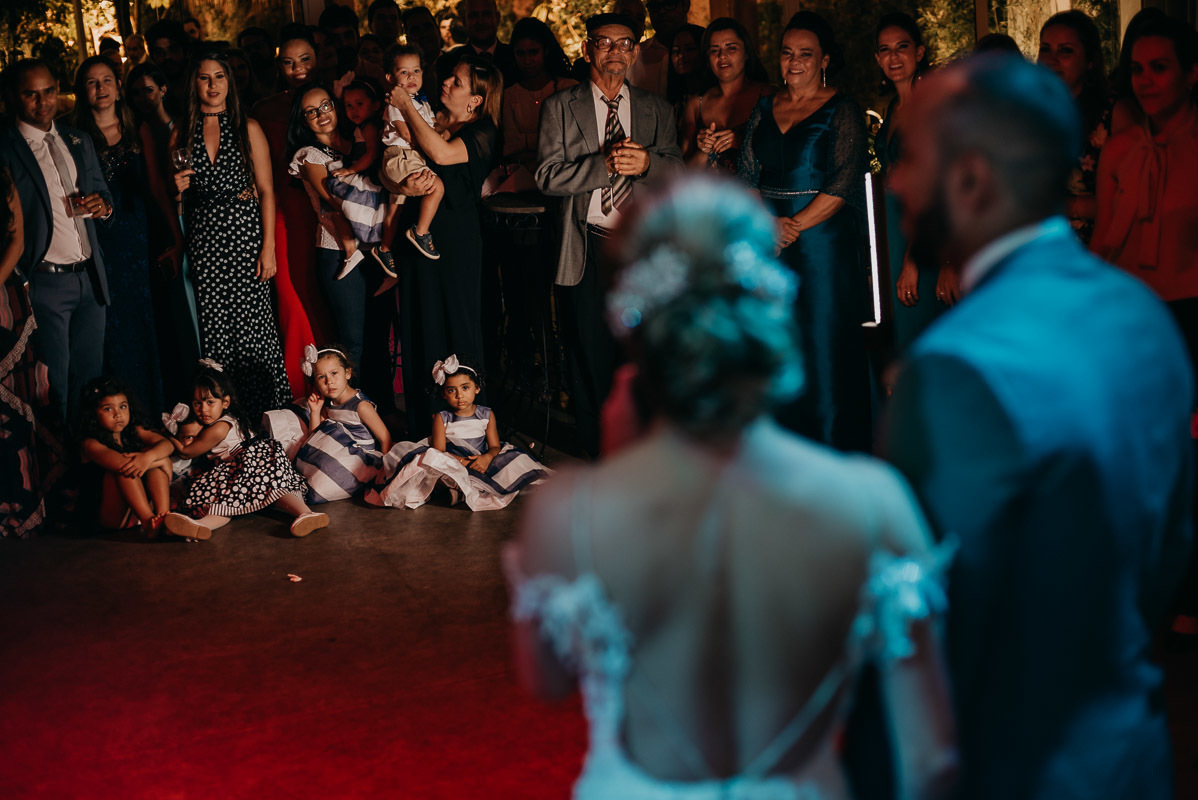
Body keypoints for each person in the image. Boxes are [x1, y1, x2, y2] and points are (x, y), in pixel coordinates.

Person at [507, 174, 957, 798]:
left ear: (633, 324)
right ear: (771, 307)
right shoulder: (872, 498)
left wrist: (618, 471)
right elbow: (931, 757)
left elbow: (546, 680)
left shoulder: (569, 510)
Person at [884, 53, 1193, 800]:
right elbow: (1169, 547)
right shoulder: (1144, 315)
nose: (896, 183)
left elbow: (928, 641)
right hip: (1134, 748)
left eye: (911, 158)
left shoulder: (955, 364)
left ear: (972, 178)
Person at [535, 12, 683, 458]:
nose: (615, 51)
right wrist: (606, 166)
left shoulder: (657, 107)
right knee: (589, 353)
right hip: (587, 245)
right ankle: (596, 453)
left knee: (640, 353)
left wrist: (649, 165)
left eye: (624, 44)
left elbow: (676, 170)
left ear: (635, 51)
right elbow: (545, 175)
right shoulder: (561, 107)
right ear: (587, 50)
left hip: (640, 251)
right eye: (605, 43)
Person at [737, 12, 872, 452]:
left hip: (821, 245)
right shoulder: (763, 106)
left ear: (824, 60)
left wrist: (792, 225)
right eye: (787, 53)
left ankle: (835, 450)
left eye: (806, 54)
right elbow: (747, 176)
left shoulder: (843, 108)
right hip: (769, 244)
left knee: (824, 342)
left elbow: (844, 183)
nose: (794, 62)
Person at [170, 52, 291, 423]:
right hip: (205, 239)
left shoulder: (247, 127)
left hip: (244, 235)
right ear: (194, 83)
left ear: (229, 82)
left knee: (255, 326)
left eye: (219, 76)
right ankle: (227, 421)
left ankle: (269, 414)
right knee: (216, 329)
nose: (212, 85)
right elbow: (178, 205)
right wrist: (177, 191)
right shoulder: (180, 131)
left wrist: (267, 247)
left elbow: (268, 190)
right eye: (204, 77)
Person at [391, 56, 501, 438]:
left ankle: (467, 431)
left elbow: (440, 154)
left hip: (455, 243)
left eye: (457, 82)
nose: (446, 83)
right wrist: (400, 187)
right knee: (420, 321)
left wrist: (404, 102)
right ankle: (426, 427)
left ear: (475, 100)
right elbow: (393, 164)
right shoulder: (429, 117)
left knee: (456, 322)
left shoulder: (484, 131)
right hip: (416, 238)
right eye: (449, 77)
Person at [0, 58, 115, 423]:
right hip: (45, 281)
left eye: (49, 91)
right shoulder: (6, 148)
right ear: (13, 97)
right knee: (55, 388)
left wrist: (103, 206)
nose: (43, 101)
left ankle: (93, 467)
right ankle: (61, 472)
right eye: (31, 94)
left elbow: (102, 191)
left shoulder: (76, 137)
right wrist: (22, 276)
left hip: (89, 276)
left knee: (91, 383)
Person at [69, 55, 184, 414]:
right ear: (82, 91)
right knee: (111, 324)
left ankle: (154, 408)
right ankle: (118, 414)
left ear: (118, 88)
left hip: (139, 238)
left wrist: (175, 235)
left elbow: (155, 187)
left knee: (147, 319)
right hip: (99, 237)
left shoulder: (140, 130)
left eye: (106, 80)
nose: (100, 88)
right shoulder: (73, 136)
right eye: (91, 82)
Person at [1093, 15, 1198, 377]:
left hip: (1189, 319)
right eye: (1137, 69)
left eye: (1159, 67)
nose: (1145, 81)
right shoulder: (1120, 149)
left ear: (1191, 73)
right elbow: (1103, 242)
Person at [163, 360, 326, 540]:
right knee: (228, 499)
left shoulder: (218, 428)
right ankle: (201, 526)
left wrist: (167, 437)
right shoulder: (227, 418)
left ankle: (306, 514)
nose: (203, 410)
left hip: (250, 459)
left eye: (210, 402)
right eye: (197, 404)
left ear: (225, 402)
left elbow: (187, 452)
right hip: (243, 463)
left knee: (271, 488)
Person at [368, 354, 550, 510]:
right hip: (453, 460)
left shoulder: (486, 414)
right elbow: (439, 452)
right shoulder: (442, 417)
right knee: (429, 466)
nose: (459, 395)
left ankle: (462, 490)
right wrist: (463, 462)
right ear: (444, 394)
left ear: (476, 388)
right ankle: (455, 489)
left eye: (465, 388)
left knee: (513, 461)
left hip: (480, 457)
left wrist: (486, 458)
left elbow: (494, 446)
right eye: (451, 390)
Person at [874, 12, 953, 355]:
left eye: (901, 47)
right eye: (885, 50)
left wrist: (913, 259)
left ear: (919, 52)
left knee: (924, 341)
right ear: (877, 59)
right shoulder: (893, 107)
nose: (893, 57)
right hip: (894, 227)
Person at [287, 85, 381, 368]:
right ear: (304, 121)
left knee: (378, 337)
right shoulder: (309, 154)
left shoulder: (360, 141)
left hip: (375, 247)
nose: (321, 114)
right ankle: (348, 409)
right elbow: (334, 198)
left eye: (325, 106)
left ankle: (381, 408)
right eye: (311, 112)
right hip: (338, 250)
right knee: (352, 340)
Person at [250, 26, 327, 363]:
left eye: (305, 60)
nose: (298, 69)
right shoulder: (264, 111)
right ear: (277, 66)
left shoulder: (333, 101)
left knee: (328, 296)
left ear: (318, 60)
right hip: (282, 213)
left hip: (329, 210)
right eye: (288, 62)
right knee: (293, 297)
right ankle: (302, 386)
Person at [0, 162, 65, 537]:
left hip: (3, 297)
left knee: (18, 405)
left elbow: (17, 240)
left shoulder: (2, 173)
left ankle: (25, 504)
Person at [284, 344, 392, 504]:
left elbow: (385, 438)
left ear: (347, 373)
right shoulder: (330, 405)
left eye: (334, 373)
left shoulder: (360, 405)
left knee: (322, 473)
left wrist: (386, 472)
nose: (329, 381)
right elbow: (317, 439)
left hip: (362, 460)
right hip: (340, 454)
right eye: (321, 377)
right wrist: (315, 411)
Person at [1038, 10, 1111, 245]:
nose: (1051, 59)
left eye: (1065, 51)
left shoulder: (1112, 115)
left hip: (1094, 253)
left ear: (1090, 61)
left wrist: (1067, 205)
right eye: (1045, 49)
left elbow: (1131, 202)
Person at [76, 377, 174, 535]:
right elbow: (123, 464)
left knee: (152, 462)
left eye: (123, 407)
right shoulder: (90, 444)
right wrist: (161, 460)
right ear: (94, 413)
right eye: (108, 409)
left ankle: (164, 517)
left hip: (132, 513)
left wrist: (149, 457)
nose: (118, 414)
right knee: (127, 471)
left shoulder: (133, 430)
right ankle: (150, 522)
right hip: (110, 517)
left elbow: (167, 445)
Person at [679, 17, 773, 172]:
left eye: (731, 48)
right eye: (714, 50)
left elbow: (782, 158)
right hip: (708, 194)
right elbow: (684, 174)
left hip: (754, 195)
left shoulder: (767, 95)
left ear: (747, 53)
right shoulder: (696, 104)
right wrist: (703, 151)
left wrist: (742, 143)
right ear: (707, 59)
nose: (722, 56)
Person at [381, 46, 446, 262]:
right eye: (404, 72)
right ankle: (420, 232)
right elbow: (407, 134)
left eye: (416, 71)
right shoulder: (395, 102)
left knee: (395, 208)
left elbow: (432, 126)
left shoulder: (422, 102)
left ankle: (384, 249)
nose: (412, 77)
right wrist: (432, 141)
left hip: (412, 156)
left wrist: (441, 133)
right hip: (402, 155)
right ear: (391, 77)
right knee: (437, 187)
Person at [500, 18, 577, 172]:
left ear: (545, 51)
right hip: (522, 175)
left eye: (533, 52)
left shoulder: (569, 88)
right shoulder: (509, 95)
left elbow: (573, 143)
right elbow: (510, 148)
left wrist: (526, 142)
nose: (527, 60)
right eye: (520, 53)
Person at [436, 0, 518, 89]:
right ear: (464, 21)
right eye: (473, 16)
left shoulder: (516, 58)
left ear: (497, 18)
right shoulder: (449, 63)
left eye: (486, 14)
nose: (480, 21)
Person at [628, 0, 690, 97]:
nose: (661, 11)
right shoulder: (635, 56)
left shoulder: (707, 48)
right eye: (654, 7)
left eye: (668, 4)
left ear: (685, 5)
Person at [145, 19, 190, 114]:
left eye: (173, 49)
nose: (167, 57)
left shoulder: (201, 88)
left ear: (185, 51)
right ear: (153, 57)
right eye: (159, 52)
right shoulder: (151, 96)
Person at [667, 23, 705, 123]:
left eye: (689, 49)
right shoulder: (673, 100)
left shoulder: (712, 98)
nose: (681, 55)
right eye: (675, 51)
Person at [237, 27, 278, 92]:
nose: (253, 52)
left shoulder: (289, 79)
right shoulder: (241, 86)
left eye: (258, 46)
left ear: (272, 48)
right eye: (247, 49)